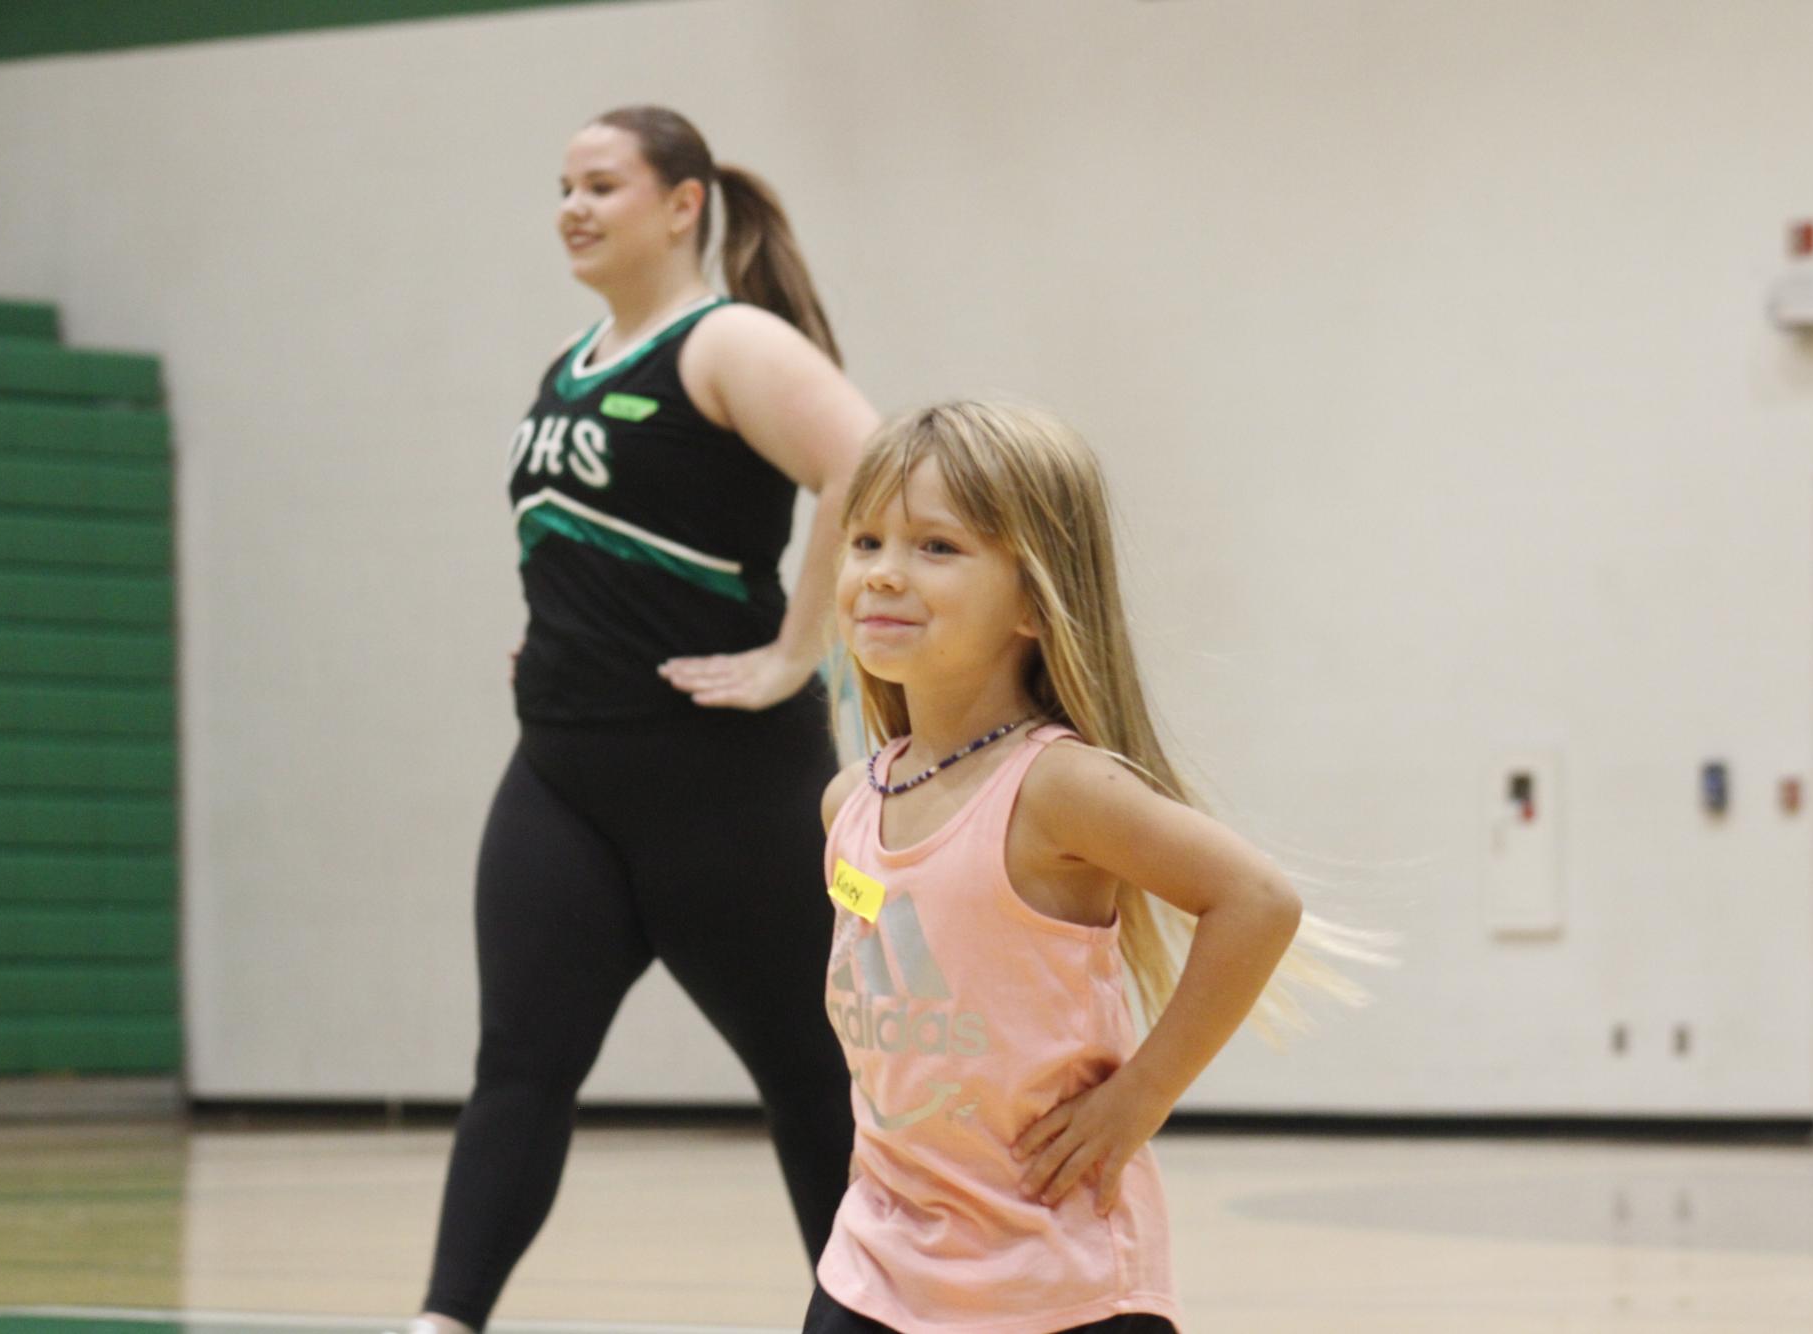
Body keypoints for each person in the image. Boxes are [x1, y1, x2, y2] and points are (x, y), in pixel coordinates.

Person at [405, 106, 877, 1334]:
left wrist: (797, 652)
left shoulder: (729, 344)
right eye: (562, 185)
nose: (573, 205)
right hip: (561, 773)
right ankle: (445, 1319)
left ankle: (877, 1314)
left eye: (601, 184)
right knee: (518, 1066)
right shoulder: (571, 359)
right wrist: (557, 629)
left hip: (722, 782)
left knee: (812, 1079)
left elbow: (870, 462)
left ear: (682, 204)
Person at [807, 400, 1315, 1333]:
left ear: (1036, 602)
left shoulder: (1056, 788)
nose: (881, 574)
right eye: (866, 540)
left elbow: (1256, 901)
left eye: (936, 548)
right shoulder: (849, 803)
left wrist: (1137, 1100)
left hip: (1054, 1283)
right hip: (874, 1265)